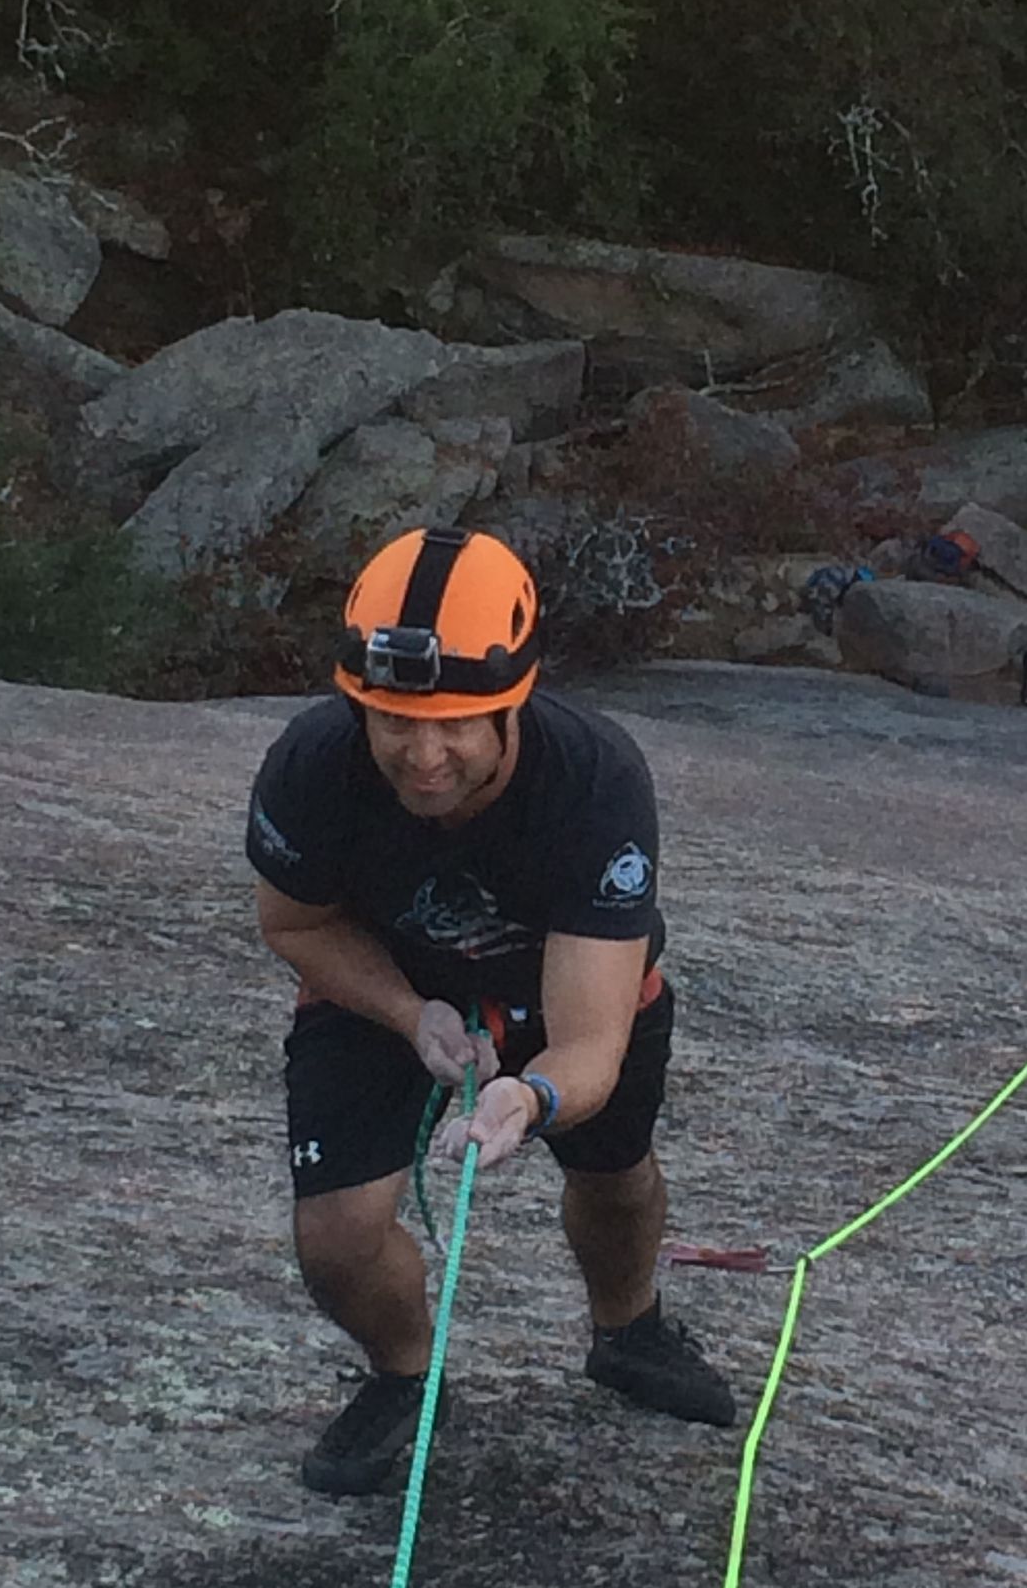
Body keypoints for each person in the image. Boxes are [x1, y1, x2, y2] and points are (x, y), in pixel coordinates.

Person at [246, 523, 735, 1497]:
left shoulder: (593, 782)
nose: (424, 755)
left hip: (563, 978)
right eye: (394, 723)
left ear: (515, 701)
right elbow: (296, 924)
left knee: (615, 1175)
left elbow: (594, 1036)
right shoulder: (314, 765)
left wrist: (532, 1099)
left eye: (457, 725)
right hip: (387, 970)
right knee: (336, 1240)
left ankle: (626, 1328)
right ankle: (405, 1374)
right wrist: (406, 1011)